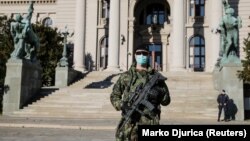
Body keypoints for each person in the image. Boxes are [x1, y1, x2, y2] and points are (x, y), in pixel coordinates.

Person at [110, 44, 171, 141]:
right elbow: (114, 96)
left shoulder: (156, 77)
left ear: (148, 56)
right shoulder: (125, 76)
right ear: (135, 55)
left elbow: (166, 101)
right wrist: (122, 105)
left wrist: (159, 92)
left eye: (144, 53)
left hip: (150, 122)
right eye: (139, 53)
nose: (141, 55)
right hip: (129, 125)